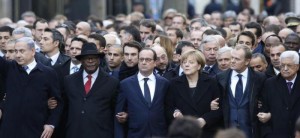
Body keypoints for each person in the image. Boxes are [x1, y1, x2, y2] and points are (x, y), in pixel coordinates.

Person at [0, 37, 63, 138]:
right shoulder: (9, 69)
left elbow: (57, 102)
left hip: (36, 131)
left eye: (22, 51)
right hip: (9, 131)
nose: (18, 55)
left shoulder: (48, 73)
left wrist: (51, 124)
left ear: (33, 51)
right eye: (16, 51)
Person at [64, 42, 119, 138]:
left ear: (99, 60)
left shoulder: (112, 82)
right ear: (81, 60)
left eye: (93, 58)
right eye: (87, 58)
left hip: (101, 133)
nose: (90, 61)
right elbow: (63, 106)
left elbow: (115, 109)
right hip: (74, 133)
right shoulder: (69, 80)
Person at [165, 50, 222, 138]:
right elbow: (168, 107)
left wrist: (204, 119)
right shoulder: (174, 83)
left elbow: (220, 108)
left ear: (199, 66)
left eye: (191, 62)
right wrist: (175, 112)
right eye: (184, 62)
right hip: (183, 132)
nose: (186, 65)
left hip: (206, 132)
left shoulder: (211, 82)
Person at [115, 48, 170, 138]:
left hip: (159, 134)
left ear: (155, 62)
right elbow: (120, 112)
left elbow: (167, 109)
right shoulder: (126, 84)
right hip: (135, 133)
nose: (144, 62)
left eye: (148, 60)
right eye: (141, 59)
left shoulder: (164, 83)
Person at [215, 45, 266, 138]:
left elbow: (265, 101)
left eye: (237, 59)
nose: (233, 61)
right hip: (228, 131)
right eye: (232, 58)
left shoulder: (259, 78)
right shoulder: (220, 78)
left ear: (247, 61)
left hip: (252, 131)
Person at [261, 51, 300, 138]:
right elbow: (264, 110)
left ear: (297, 66)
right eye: (282, 65)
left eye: (289, 65)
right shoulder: (270, 84)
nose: (285, 68)